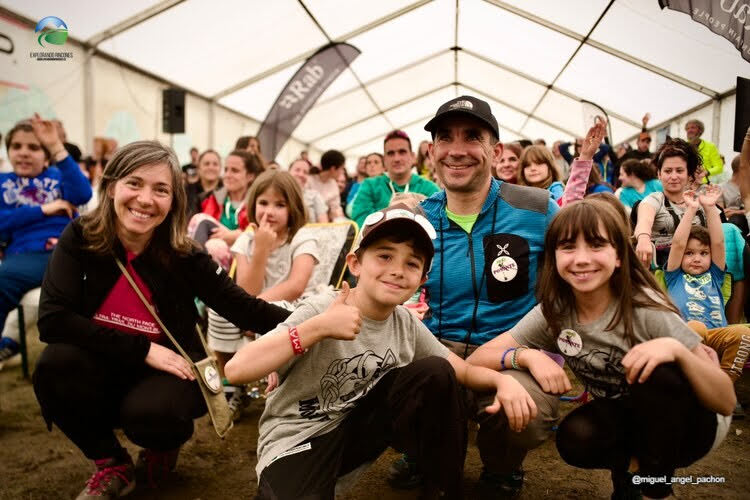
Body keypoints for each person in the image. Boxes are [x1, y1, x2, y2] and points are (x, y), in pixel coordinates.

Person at [31, 140, 290, 499]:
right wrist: (142, 350)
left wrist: (313, 324)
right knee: (55, 366)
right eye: (134, 183)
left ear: (174, 202)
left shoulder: (184, 255)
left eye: (160, 189)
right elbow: (53, 320)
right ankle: (112, 463)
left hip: (168, 372)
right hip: (105, 362)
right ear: (111, 187)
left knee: (155, 414)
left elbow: (245, 309)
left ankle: (161, 447)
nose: (145, 199)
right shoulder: (82, 237)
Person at [224, 203, 536, 499]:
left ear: (422, 279)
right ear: (355, 263)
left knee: (435, 373)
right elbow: (236, 370)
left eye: (411, 263)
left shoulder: (404, 323)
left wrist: (503, 381)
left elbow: (462, 370)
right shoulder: (322, 309)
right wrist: (317, 328)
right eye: (384, 256)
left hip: (356, 427)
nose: (398, 270)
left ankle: (442, 489)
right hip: (299, 437)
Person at [468, 198, 734, 499]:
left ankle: (655, 491)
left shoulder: (645, 308)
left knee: (658, 375)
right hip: (633, 418)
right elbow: (479, 357)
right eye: (568, 247)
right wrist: (526, 356)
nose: (581, 259)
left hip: (695, 425)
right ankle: (629, 481)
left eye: (596, 245)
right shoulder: (555, 311)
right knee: (576, 437)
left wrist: (677, 350)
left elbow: (725, 402)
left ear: (619, 255)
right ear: (553, 257)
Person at [395, 95, 559, 498]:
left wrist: (538, 348)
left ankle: (502, 468)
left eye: (472, 136)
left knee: (527, 410)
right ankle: (422, 453)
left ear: (495, 150)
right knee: (384, 383)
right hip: (437, 349)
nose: (457, 149)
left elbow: (575, 281)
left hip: (510, 352)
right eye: (445, 138)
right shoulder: (418, 218)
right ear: (432, 152)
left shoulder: (537, 209)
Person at [0, 115, 92, 363]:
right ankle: (9, 342)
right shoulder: (3, 183)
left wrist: (56, 146)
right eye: (16, 146)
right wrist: (44, 209)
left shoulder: (58, 176)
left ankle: (10, 342)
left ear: (46, 154)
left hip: (63, 250)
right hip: (23, 257)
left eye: (34, 147)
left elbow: (83, 193)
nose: (24, 153)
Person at [664, 185, 750, 382]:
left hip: (717, 335)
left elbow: (718, 243)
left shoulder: (715, 274)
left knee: (744, 334)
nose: (696, 259)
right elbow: (678, 244)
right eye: (689, 253)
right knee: (696, 328)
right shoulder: (674, 275)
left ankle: (723, 385)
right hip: (687, 335)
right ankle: (697, 385)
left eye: (703, 253)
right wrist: (692, 209)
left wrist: (710, 208)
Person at [634, 138, 705, 268]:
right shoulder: (654, 200)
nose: (673, 176)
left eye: (679, 170)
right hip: (664, 267)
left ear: (689, 174)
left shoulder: (701, 201)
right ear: (659, 174)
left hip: (701, 266)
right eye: (668, 171)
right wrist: (643, 238)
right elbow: (644, 221)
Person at [188, 150, 263, 269]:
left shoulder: (259, 202)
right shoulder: (209, 198)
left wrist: (238, 235)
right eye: (226, 169)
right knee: (206, 232)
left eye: (235, 170)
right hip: (212, 256)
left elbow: (265, 235)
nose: (227, 175)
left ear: (250, 176)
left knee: (212, 241)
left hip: (245, 259)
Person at [351, 130, 439, 228]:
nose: (396, 159)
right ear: (384, 159)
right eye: (391, 153)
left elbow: (438, 222)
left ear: (413, 156)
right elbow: (361, 221)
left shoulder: (428, 187)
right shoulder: (370, 185)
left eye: (402, 152)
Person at [306, 149, 345, 221]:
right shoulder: (309, 180)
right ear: (333, 168)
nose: (342, 172)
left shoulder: (333, 184)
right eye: (341, 168)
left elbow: (336, 208)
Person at [288, 158, 329, 223]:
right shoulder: (279, 193)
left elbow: (324, 225)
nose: (301, 174)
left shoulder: (314, 196)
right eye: (297, 170)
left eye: (305, 172)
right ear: (288, 172)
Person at [185, 149, 222, 219]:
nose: (211, 167)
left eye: (215, 164)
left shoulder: (227, 193)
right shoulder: (186, 191)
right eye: (206, 164)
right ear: (199, 168)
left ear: (220, 168)